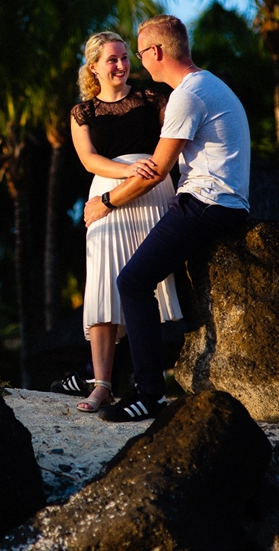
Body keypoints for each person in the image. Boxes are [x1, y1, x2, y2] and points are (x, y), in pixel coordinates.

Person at [82, 15, 251, 422]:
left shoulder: (187, 95)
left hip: (206, 204)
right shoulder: (207, 84)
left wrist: (105, 202)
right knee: (139, 279)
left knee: (132, 281)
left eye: (139, 53)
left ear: (155, 52)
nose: (137, 63)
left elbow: (156, 171)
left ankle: (147, 394)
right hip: (223, 202)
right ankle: (120, 382)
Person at [56, 31, 182, 413]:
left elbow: (174, 143)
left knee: (145, 286)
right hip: (107, 195)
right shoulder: (83, 112)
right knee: (103, 286)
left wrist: (149, 174)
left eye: (125, 57)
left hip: (153, 189)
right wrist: (128, 171)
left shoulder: (152, 97)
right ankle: (101, 386)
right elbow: (89, 159)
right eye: (112, 59)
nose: (122, 65)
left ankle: (146, 385)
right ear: (93, 67)